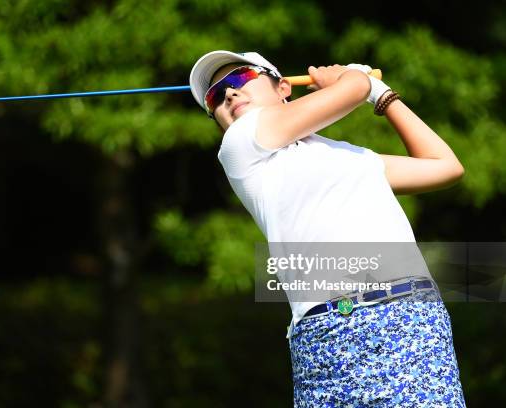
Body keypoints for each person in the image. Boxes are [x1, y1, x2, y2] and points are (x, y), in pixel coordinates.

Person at [189, 50, 467, 407]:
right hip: (328, 331)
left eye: (241, 78)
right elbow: (352, 90)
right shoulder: (240, 145)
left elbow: (443, 166)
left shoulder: (349, 157)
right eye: (215, 96)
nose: (228, 93)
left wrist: (383, 95)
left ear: (283, 87)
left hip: (408, 315)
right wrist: (354, 79)